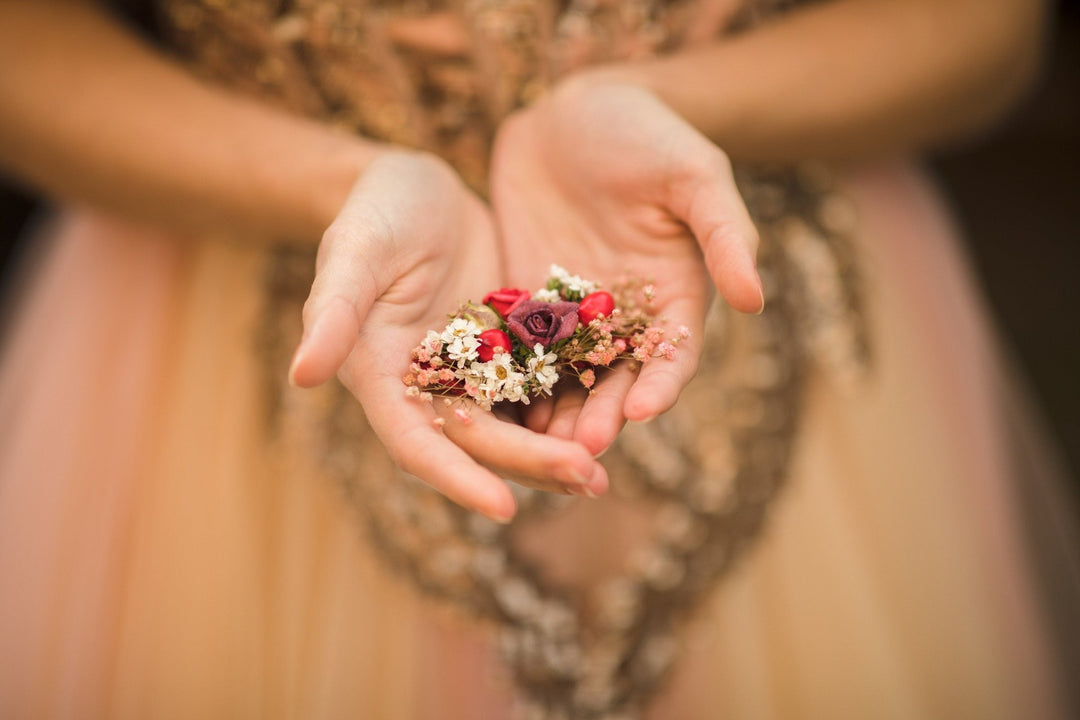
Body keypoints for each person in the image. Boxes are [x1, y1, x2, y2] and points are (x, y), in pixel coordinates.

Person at [0, 0, 1075, 718]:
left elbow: (989, 28)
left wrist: (679, 106)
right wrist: (336, 182)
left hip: (721, 258)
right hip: (225, 278)